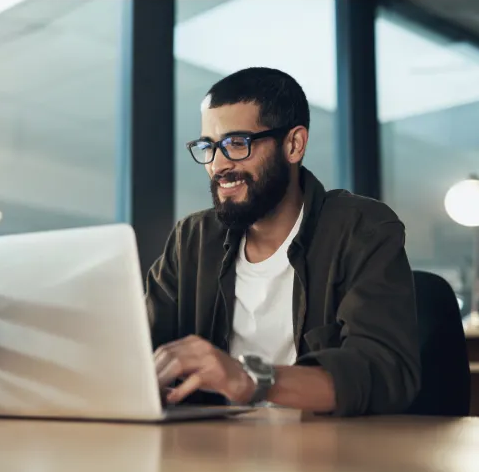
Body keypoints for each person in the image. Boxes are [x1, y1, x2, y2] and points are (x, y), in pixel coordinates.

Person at [146, 67, 421, 417]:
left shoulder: (361, 228)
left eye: (236, 143)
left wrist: (251, 379)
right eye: (208, 146)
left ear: (293, 144)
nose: (217, 165)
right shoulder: (192, 240)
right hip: (213, 454)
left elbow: (385, 372)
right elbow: (140, 346)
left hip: (327, 455)